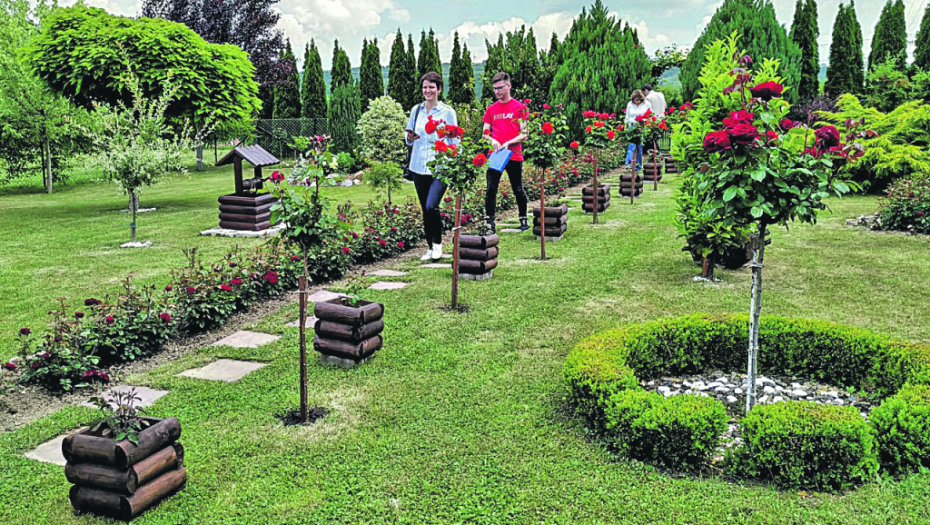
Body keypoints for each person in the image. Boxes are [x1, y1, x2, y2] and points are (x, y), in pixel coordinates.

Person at [405, 72, 458, 261]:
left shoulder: (447, 112)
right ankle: (429, 247)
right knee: (424, 208)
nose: (428, 91)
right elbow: (408, 138)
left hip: (440, 166)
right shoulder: (416, 111)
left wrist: (453, 162)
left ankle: (437, 244)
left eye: (431, 87)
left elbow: (455, 140)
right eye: (425, 87)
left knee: (431, 205)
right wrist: (409, 138)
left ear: (439, 89)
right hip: (419, 166)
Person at [482, 72, 529, 234]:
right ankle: (489, 223)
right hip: (496, 155)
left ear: (508, 86)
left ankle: (523, 218)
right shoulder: (491, 109)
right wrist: (492, 141)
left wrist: (509, 142)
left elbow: (525, 133)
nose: (497, 92)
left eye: (500, 88)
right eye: (495, 89)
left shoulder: (519, 108)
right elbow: (485, 133)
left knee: (517, 188)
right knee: (491, 189)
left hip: (514, 154)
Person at [624, 89, 652, 171]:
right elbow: (627, 117)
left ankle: (638, 165)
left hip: (641, 126)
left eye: (638, 100)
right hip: (632, 126)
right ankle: (629, 164)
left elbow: (649, 115)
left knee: (639, 146)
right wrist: (625, 127)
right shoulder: (630, 104)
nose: (637, 102)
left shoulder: (646, 104)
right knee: (631, 146)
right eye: (635, 100)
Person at [643, 84, 667, 153]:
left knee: (652, 136)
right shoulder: (661, 95)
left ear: (646, 90)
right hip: (662, 118)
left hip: (653, 120)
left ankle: (652, 149)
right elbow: (665, 106)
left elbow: (648, 110)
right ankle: (659, 149)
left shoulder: (648, 98)